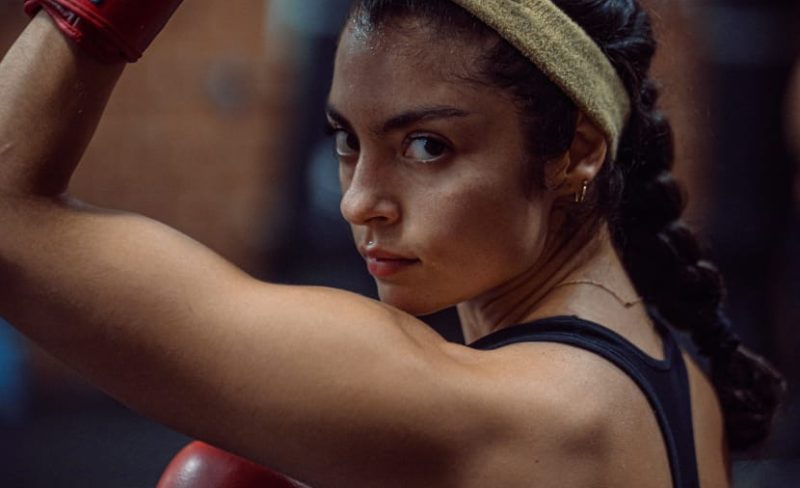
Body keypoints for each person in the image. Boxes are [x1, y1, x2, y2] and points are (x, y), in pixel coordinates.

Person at [0, 0, 786, 486]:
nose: (357, 202)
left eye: (425, 147)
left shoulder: (499, 411)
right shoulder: (676, 380)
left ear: (576, 150)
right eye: (347, 140)